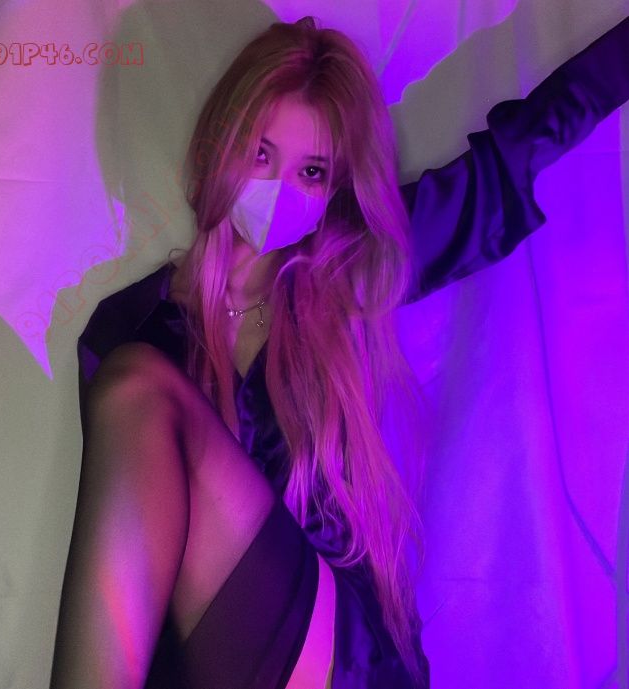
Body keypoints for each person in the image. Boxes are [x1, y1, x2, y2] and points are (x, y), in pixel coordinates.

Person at [49, 15, 629, 689]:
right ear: (217, 144)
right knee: (136, 384)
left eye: (311, 171)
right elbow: (126, 574)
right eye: (259, 154)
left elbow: (509, 158)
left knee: (135, 386)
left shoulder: (350, 276)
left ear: (335, 191)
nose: (278, 190)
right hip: (210, 664)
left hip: (346, 662)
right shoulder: (131, 329)